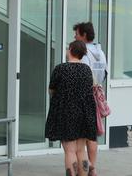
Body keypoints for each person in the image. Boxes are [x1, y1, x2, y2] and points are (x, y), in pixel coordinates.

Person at [45, 40, 98, 176]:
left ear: (71, 50)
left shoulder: (60, 69)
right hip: (84, 114)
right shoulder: (87, 70)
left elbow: (51, 90)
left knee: (70, 150)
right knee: (81, 150)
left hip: (66, 113)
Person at [73, 22, 107, 176]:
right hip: (96, 93)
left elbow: (82, 75)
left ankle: (85, 168)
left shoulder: (84, 53)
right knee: (92, 134)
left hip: (84, 96)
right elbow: (104, 73)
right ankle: (93, 167)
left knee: (82, 136)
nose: (75, 36)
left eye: (77, 34)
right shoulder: (100, 52)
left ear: (84, 35)